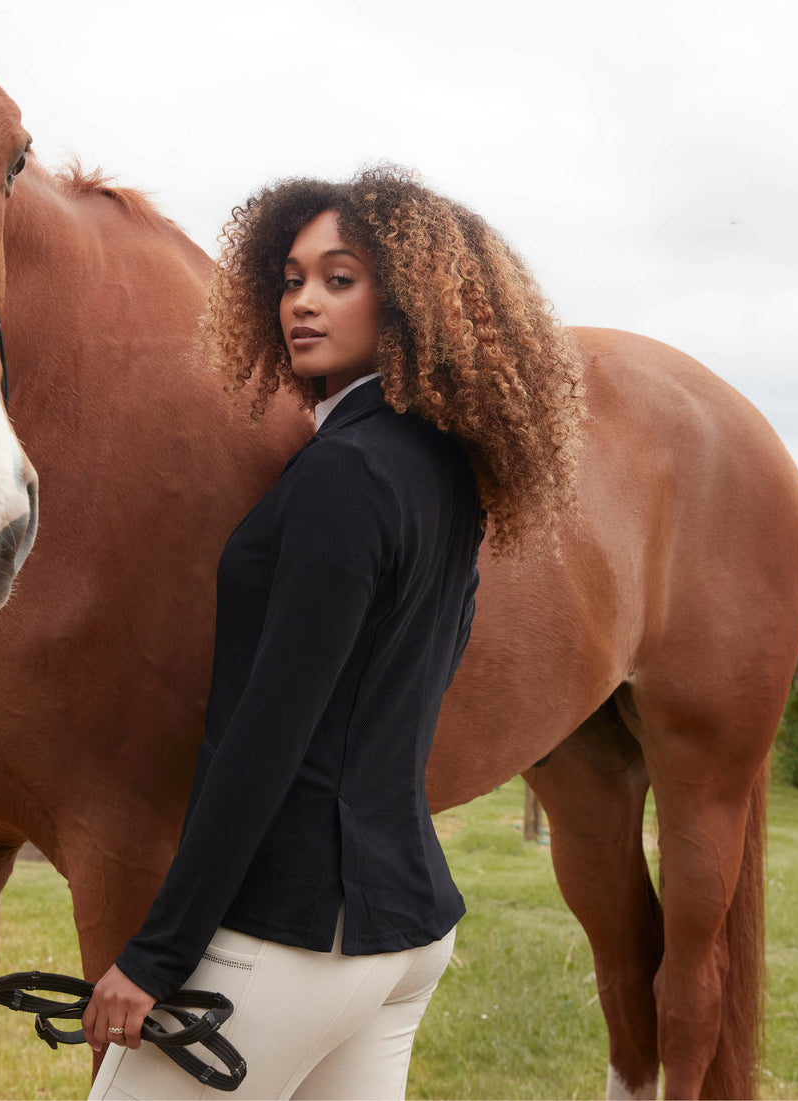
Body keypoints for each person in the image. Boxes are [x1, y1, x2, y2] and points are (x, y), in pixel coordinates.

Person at [81, 168, 584, 1100]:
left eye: (338, 278)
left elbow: (268, 736)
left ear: (408, 300)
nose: (302, 302)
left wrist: (157, 955)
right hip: (402, 935)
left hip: (293, 935)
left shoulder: (342, 473)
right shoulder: (444, 470)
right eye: (291, 279)